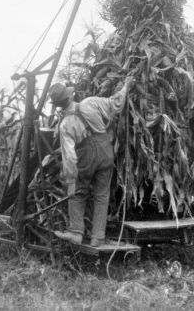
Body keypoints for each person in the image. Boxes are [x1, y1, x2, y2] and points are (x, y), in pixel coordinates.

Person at [49, 77, 134, 247]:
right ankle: (97, 237)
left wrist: (71, 181)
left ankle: (76, 232)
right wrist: (125, 87)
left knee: (77, 194)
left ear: (58, 106)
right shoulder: (90, 103)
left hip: (85, 159)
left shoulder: (65, 125)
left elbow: (71, 157)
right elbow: (115, 105)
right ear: (71, 96)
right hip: (105, 152)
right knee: (102, 195)